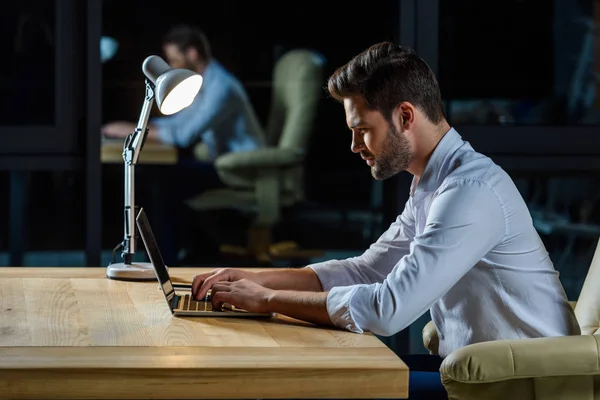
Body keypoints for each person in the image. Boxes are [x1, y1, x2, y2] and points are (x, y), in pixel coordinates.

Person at [189, 42, 581, 398]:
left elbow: (387, 309)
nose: (355, 146)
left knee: (327, 388)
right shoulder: (433, 184)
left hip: (520, 385)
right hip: (477, 374)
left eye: (363, 130)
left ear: (405, 116)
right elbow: (366, 270)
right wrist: (250, 278)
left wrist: (268, 301)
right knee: (322, 378)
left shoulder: (470, 190)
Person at [101, 24, 265, 162]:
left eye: (174, 60)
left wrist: (134, 131)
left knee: (164, 179)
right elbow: (181, 122)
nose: (172, 66)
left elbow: (184, 135)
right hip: (223, 160)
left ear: (192, 54)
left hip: (243, 164)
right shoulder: (203, 81)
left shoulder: (221, 87)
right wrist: (139, 127)